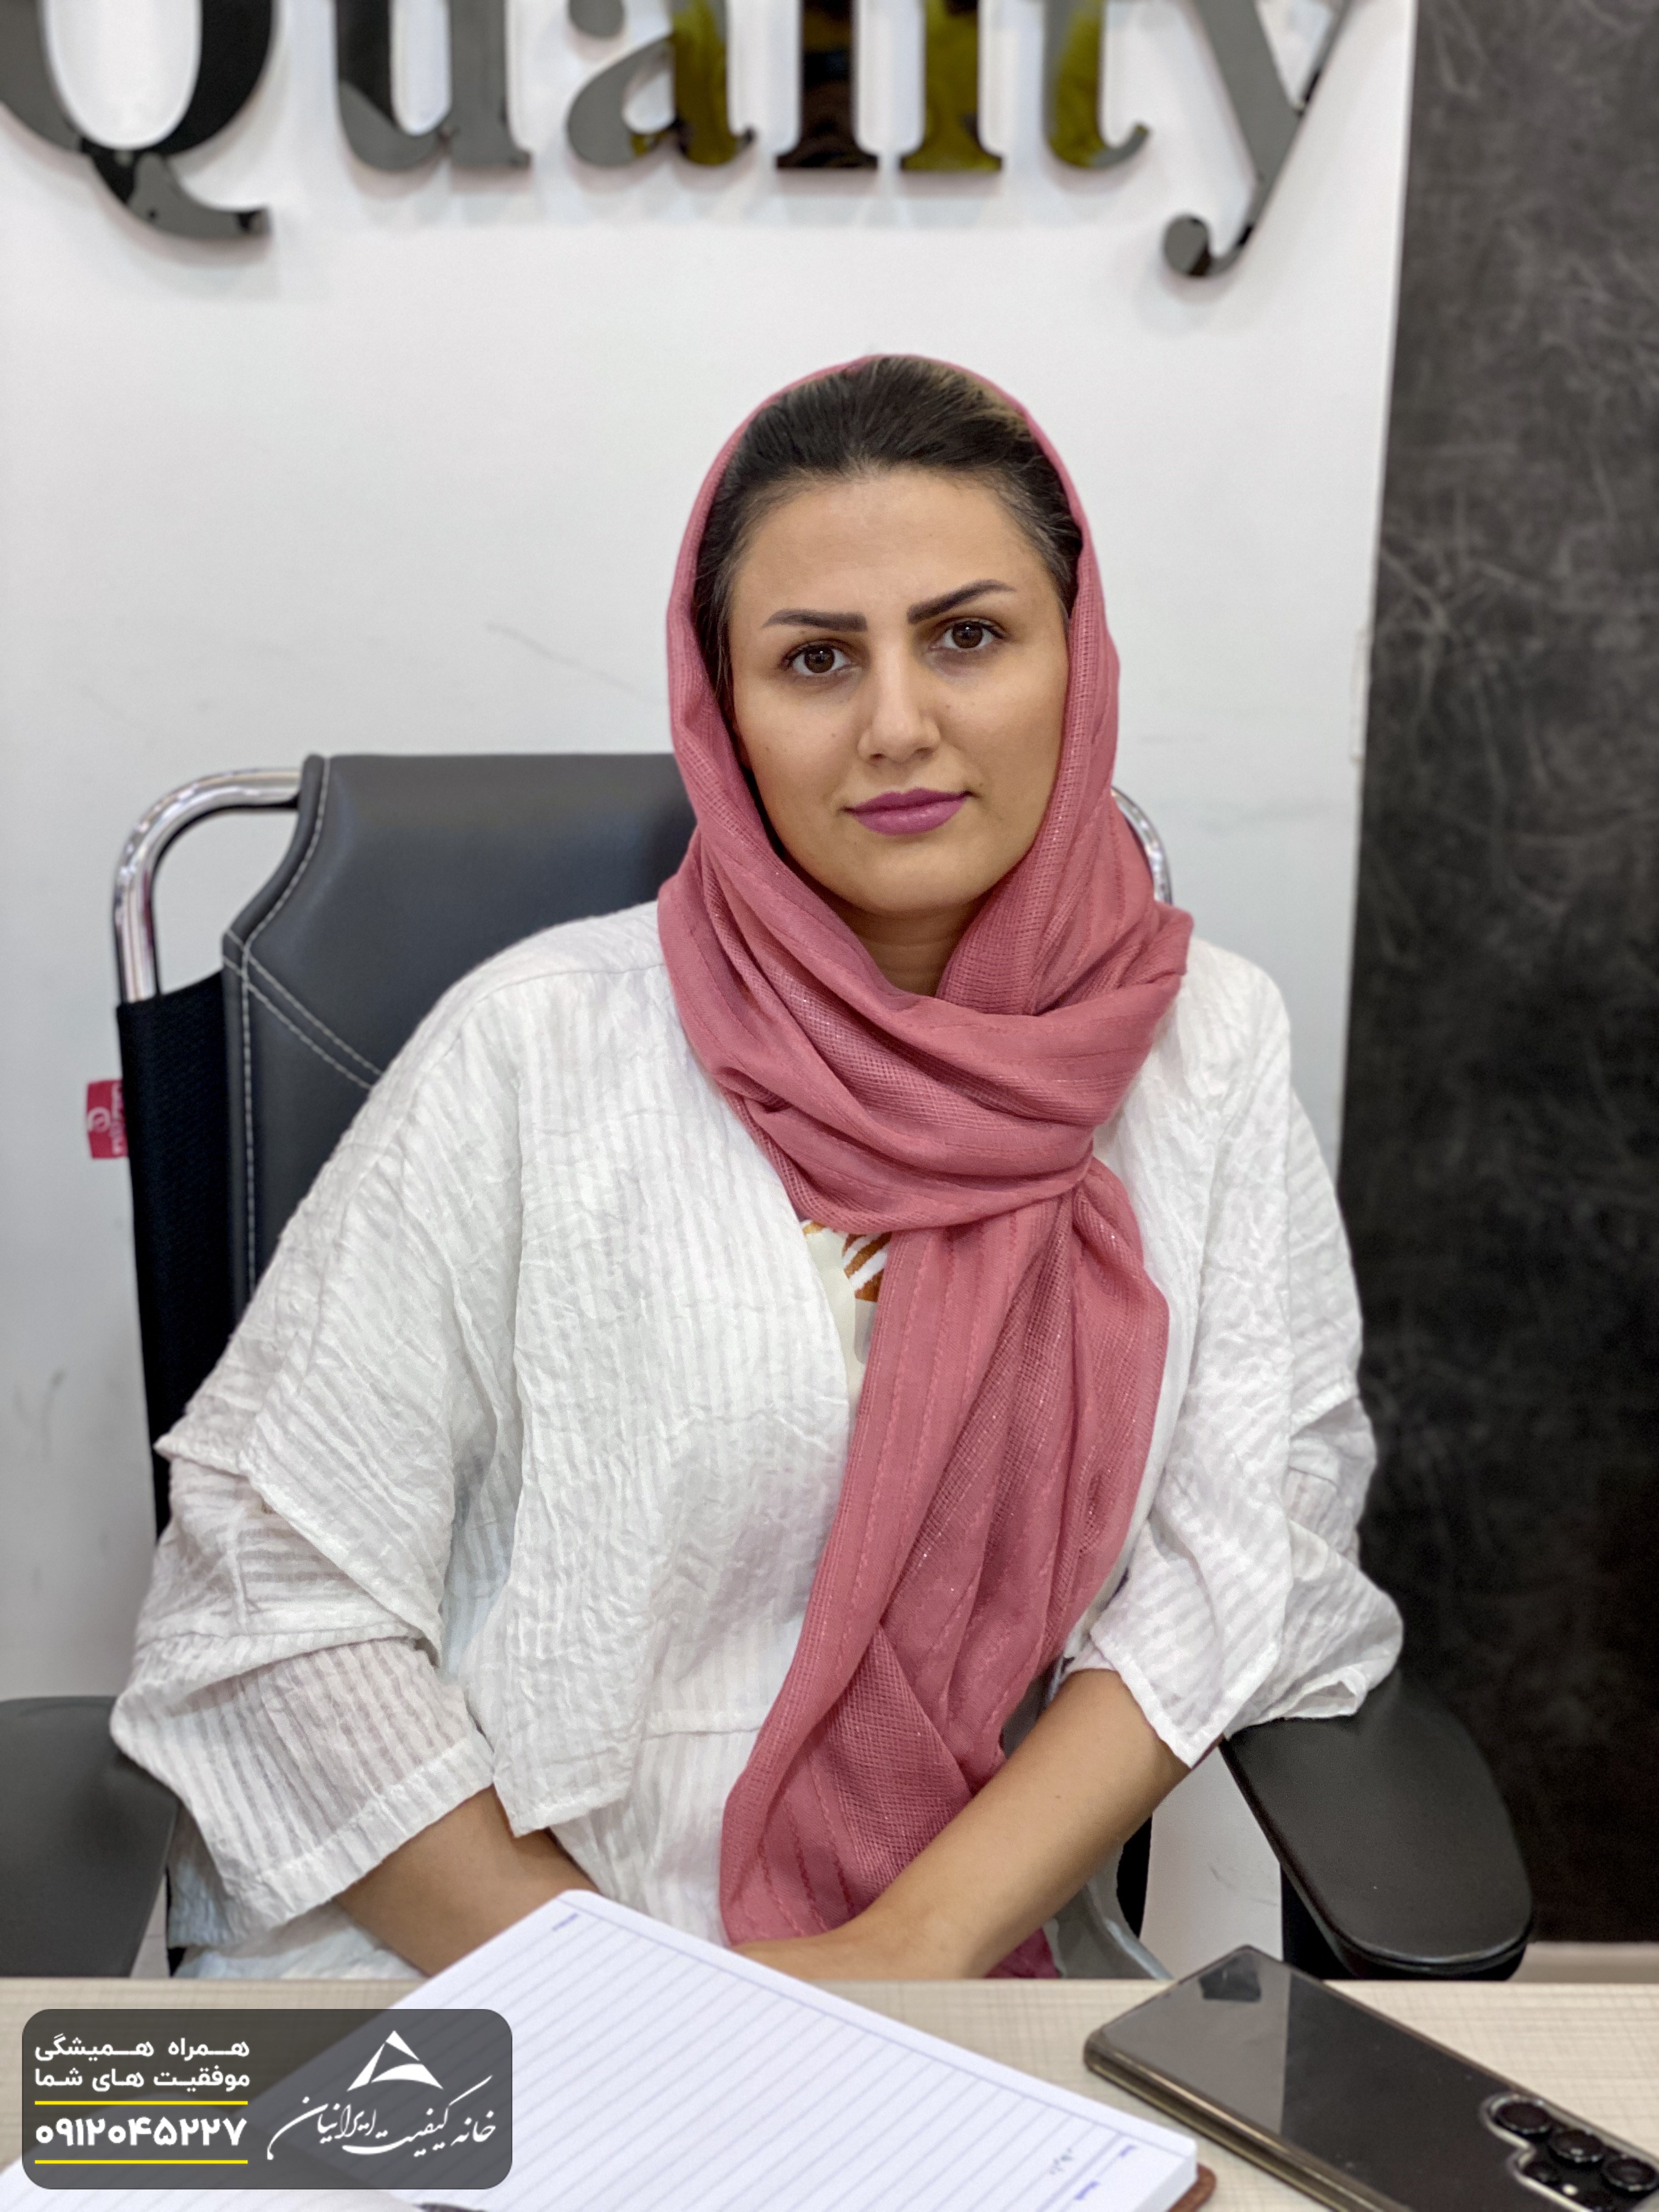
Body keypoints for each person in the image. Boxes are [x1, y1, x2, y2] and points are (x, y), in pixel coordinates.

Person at [112, 356, 1400, 1983]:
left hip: (952, 1964)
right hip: (494, 1955)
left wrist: (905, 1949)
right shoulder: (535, 1046)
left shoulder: (1203, 1048)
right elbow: (273, 1594)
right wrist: (631, 1999)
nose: (898, 726)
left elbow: (1251, 1548)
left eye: (968, 637)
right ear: (722, 711)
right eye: (815, 659)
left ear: (1079, 663)